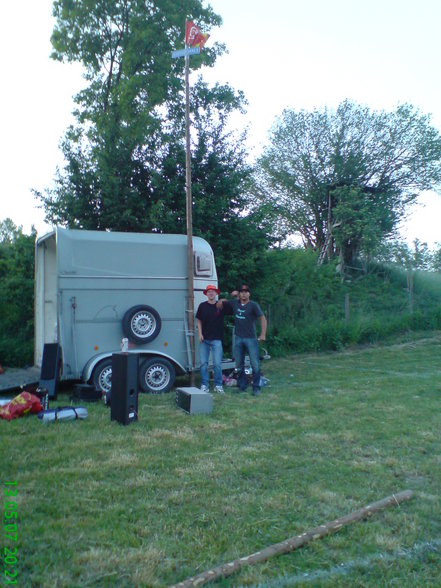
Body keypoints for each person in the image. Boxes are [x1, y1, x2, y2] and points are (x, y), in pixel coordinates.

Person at [220, 284, 267, 396]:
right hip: (238, 339)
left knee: (255, 364)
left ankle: (256, 388)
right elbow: (223, 303)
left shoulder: (253, 305)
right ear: (239, 294)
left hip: (251, 339)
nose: (244, 294)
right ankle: (242, 387)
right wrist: (225, 298)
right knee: (238, 364)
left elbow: (262, 318)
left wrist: (263, 334)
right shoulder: (235, 304)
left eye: (246, 292)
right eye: (241, 292)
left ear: (249, 294)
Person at [196, 284, 232, 394]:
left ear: (216, 293)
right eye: (209, 291)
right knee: (203, 363)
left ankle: (218, 385)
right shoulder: (202, 306)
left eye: (213, 291)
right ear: (206, 294)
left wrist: (223, 300)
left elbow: (231, 306)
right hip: (204, 339)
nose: (211, 293)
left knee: (217, 364)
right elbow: (199, 320)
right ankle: (204, 385)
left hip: (217, 339)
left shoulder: (220, 305)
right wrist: (200, 334)